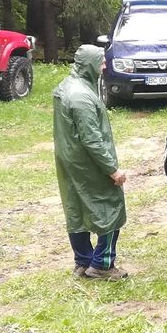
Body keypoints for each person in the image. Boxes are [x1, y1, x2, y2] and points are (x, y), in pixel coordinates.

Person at [53, 45, 128, 280]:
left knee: (75, 207)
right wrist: (112, 169)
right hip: (88, 163)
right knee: (110, 207)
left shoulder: (67, 86)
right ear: (89, 64)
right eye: (101, 62)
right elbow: (92, 139)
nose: (105, 66)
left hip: (70, 160)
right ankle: (102, 264)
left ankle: (82, 261)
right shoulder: (82, 97)